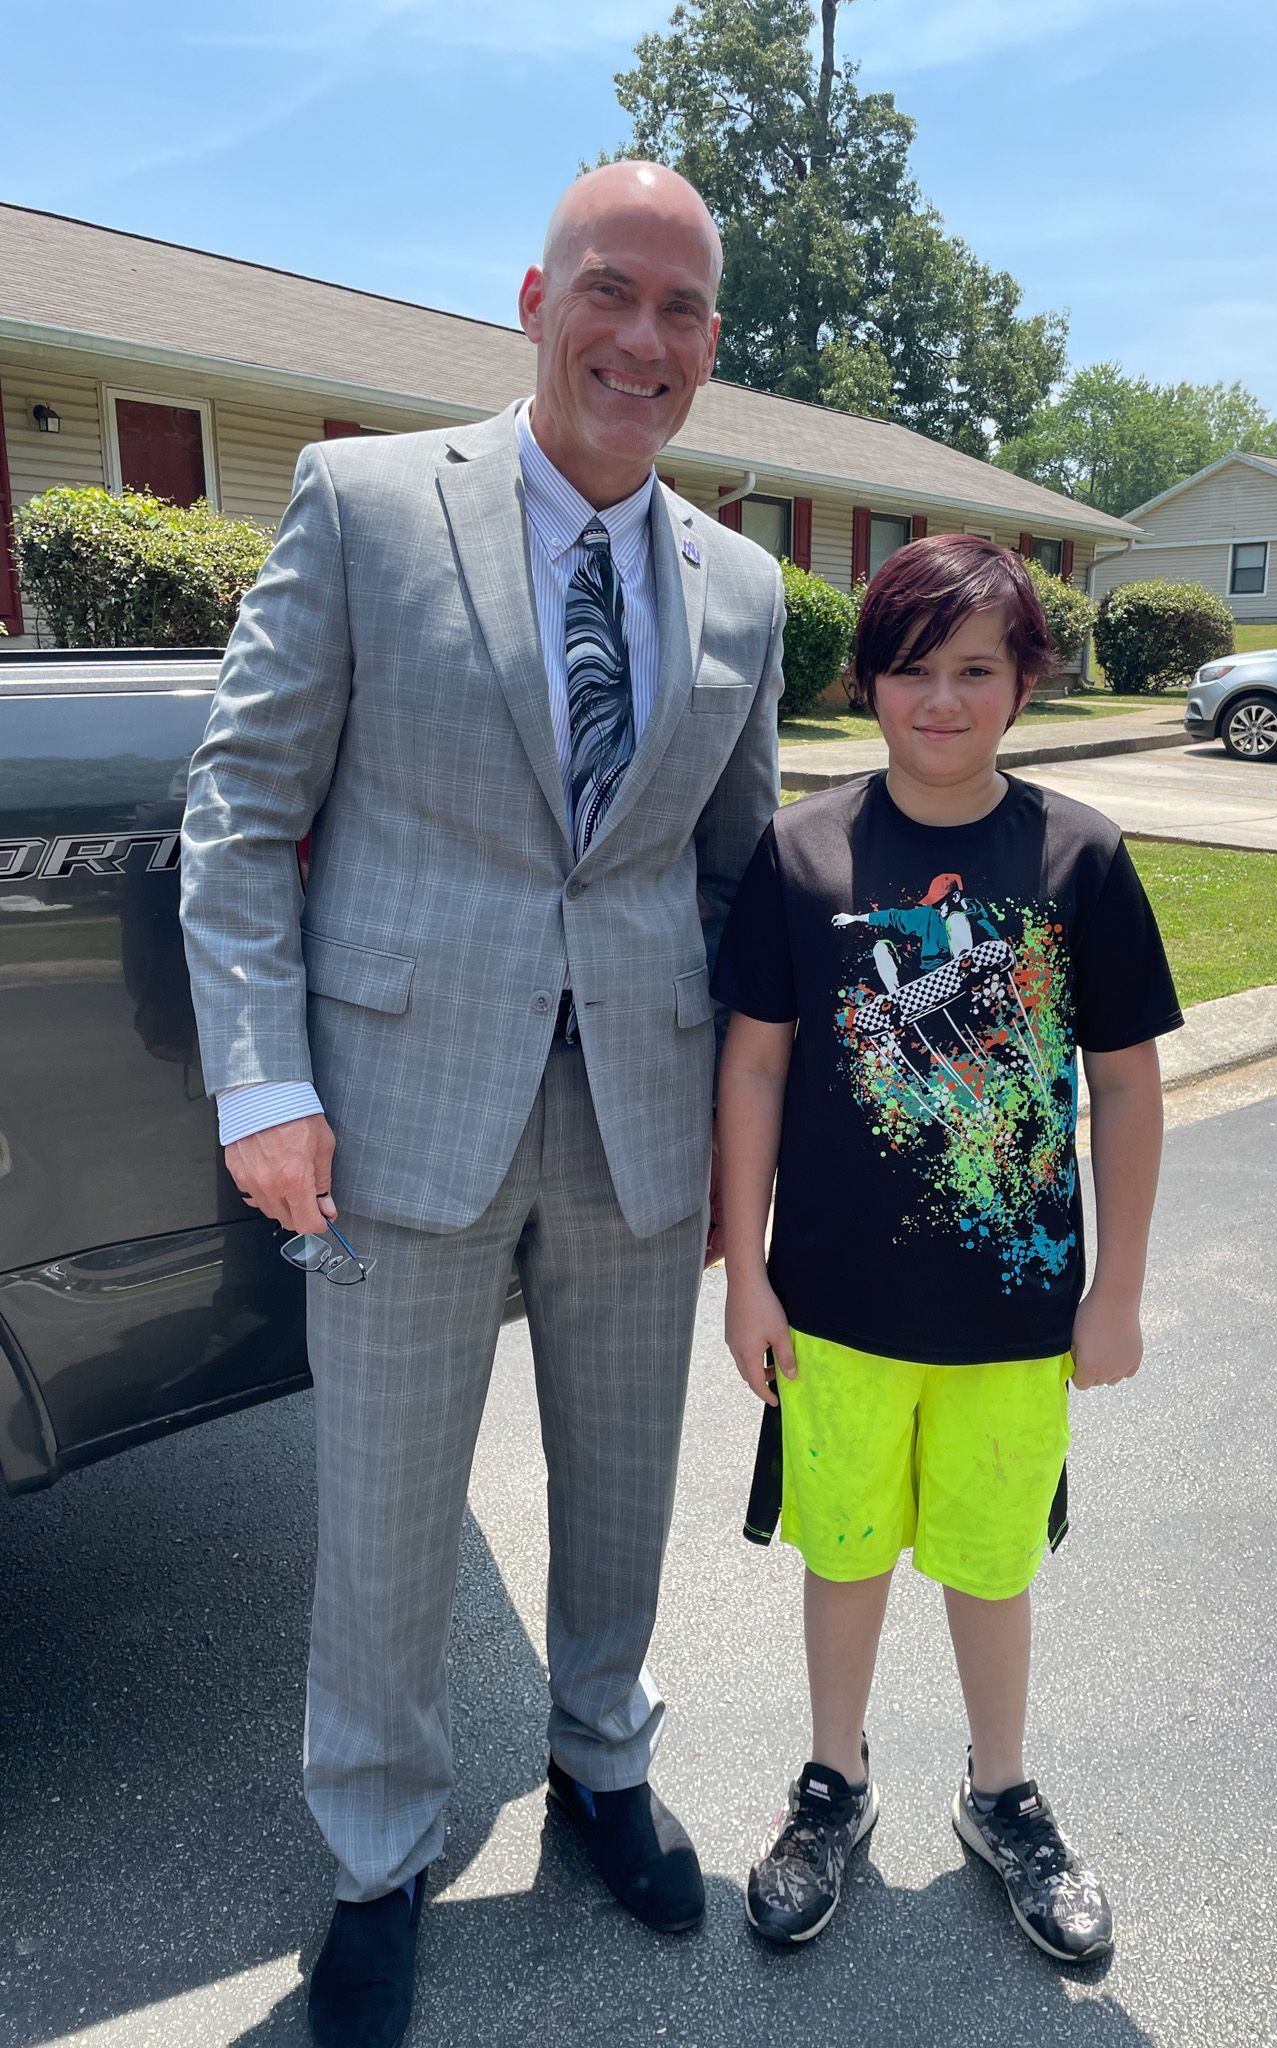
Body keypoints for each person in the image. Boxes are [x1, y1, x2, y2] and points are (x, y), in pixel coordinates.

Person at [180, 162, 782, 2048]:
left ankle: (602, 1762)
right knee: (383, 1520)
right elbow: (238, 810)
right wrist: (263, 1078)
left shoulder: (746, 588)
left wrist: (754, 1153)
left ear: (707, 345)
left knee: (623, 1490)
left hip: (642, 1120)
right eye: (612, 290)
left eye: (683, 310)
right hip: (392, 1113)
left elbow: (740, 884)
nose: (643, 339)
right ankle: (377, 1855)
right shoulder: (367, 505)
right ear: (535, 300)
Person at [713, 534, 1182, 1959]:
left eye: (976, 669)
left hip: (1017, 1314)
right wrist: (748, 1275)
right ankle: (833, 1782)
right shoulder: (801, 851)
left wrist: (1117, 1292)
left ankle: (1001, 1793)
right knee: (845, 1553)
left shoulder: (1079, 856)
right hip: (834, 1310)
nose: (941, 700)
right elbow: (753, 1067)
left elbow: (1126, 1087)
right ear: (866, 682)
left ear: (1026, 682)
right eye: (911, 669)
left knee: (991, 1564)